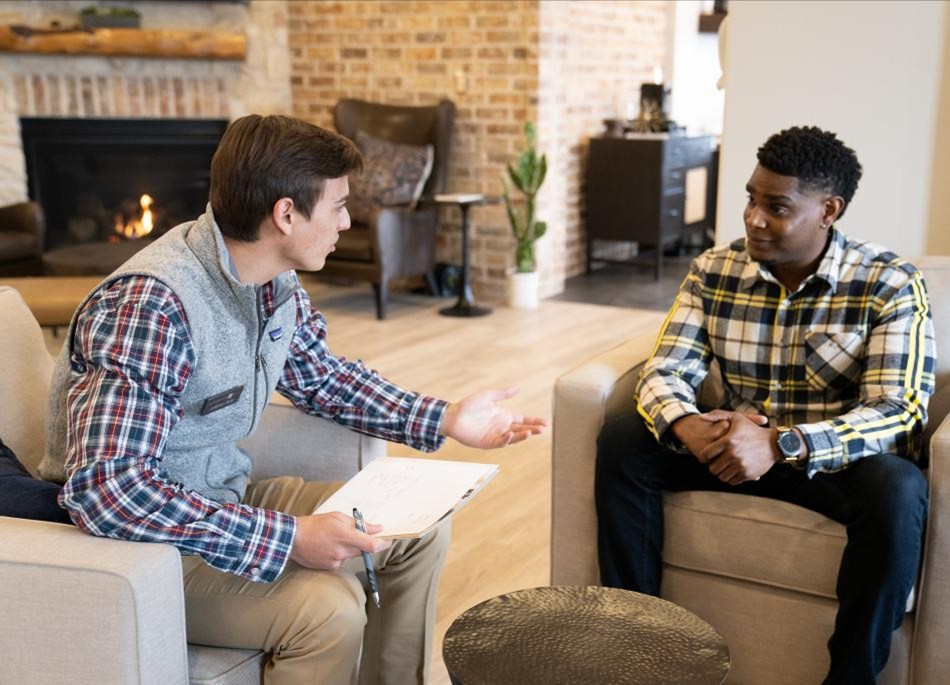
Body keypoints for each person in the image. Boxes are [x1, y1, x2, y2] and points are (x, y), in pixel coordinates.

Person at [38, 114, 545, 685]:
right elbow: (111, 489)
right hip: (138, 545)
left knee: (418, 530)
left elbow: (321, 377)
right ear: (285, 213)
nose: (347, 222)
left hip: (220, 493)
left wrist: (446, 417)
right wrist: (288, 538)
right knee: (327, 612)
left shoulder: (272, 279)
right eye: (338, 206)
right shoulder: (152, 305)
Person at [595, 126, 934, 684]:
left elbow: (898, 411)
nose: (753, 218)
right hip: (727, 453)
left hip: (827, 464)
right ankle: (638, 650)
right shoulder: (714, 270)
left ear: (828, 210)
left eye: (775, 207)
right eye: (751, 199)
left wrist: (781, 443)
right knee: (624, 436)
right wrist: (684, 425)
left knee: (897, 487)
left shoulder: (888, 284)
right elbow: (665, 368)